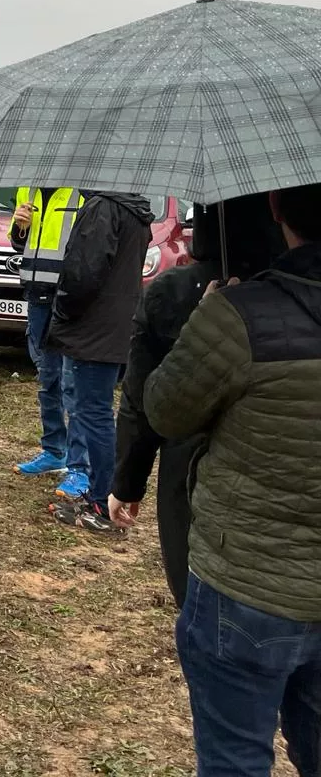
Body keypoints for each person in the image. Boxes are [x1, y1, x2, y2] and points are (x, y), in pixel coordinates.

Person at [145, 183, 321, 776]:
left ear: (276, 208)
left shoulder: (239, 316)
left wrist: (207, 319)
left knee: (234, 759)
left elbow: (165, 411)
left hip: (245, 589)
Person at [111, 196, 284, 607]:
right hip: (280, 490)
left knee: (197, 603)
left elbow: (143, 402)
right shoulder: (299, 295)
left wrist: (127, 482)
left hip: (189, 481)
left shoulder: (172, 293)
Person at [44, 191, 152, 534]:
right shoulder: (135, 211)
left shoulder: (104, 208)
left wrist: (62, 311)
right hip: (114, 327)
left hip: (93, 330)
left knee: (93, 413)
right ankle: (102, 494)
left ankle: (101, 500)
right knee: (98, 411)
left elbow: (82, 274)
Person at [8, 187, 89, 498]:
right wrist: (20, 227)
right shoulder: (27, 190)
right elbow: (18, 243)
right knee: (48, 377)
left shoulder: (81, 193)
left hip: (70, 298)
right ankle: (53, 449)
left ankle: (79, 467)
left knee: (73, 383)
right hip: (36, 294)